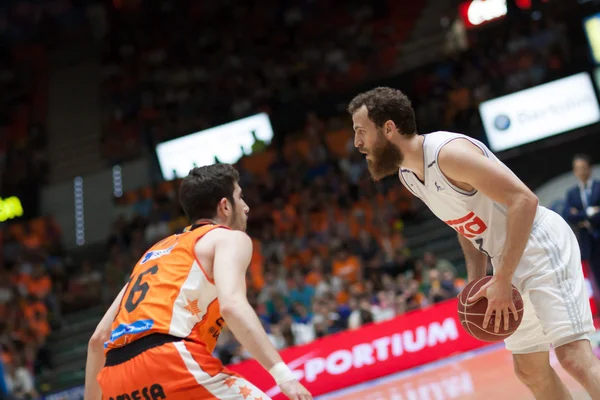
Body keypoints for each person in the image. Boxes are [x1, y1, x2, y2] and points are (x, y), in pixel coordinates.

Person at [348, 87, 600, 399]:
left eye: (361, 131)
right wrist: (477, 282)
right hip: (504, 258)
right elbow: (463, 224)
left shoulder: (448, 154)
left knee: (573, 358)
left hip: (538, 243)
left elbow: (523, 200)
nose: (357, 143)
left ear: (388, 129)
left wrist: (503, 277)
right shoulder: (409, 176)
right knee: (529, 369)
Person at [84, 164, 312, 400]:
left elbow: (98, 339)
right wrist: (285, 376)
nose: (246, 207)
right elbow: (232, 306)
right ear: (225, 206)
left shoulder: (152, 255)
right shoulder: (228, 238)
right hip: (169, 360)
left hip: (116, 380)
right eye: (240, 197)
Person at [563, 154, 600, 289]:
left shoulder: (598, 186)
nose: (581, 171)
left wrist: (579, 215)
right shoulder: (572, 193)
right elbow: (567, 215)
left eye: (583, 168)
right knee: (596, 279)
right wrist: (590, 212)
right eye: (578, 168)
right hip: (588, 243)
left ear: (589, 168)